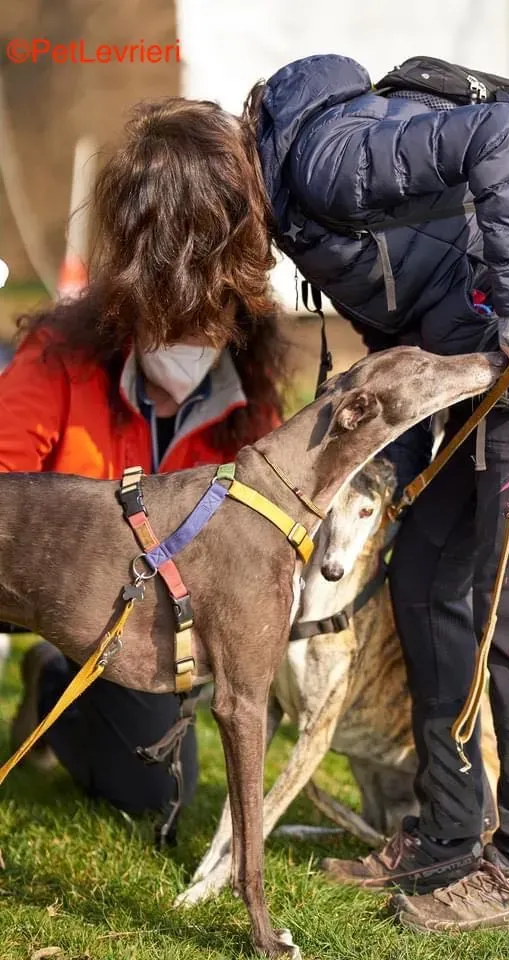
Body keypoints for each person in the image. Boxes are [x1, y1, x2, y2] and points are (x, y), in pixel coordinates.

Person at [239, 55, 509, 931]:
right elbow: (405, 331)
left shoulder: (325, 160)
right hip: (475, 369)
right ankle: (449, 831)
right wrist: (387, 466)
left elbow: (498, 135)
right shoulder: (304, 201)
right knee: (422, 575)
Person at [1, 99, 285, 830]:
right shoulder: (57, 359)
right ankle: (47, 659)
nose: (188, 342)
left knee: (155, 798)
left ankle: (53, 685)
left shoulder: (253, 400)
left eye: (210, 321)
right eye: (172, 318)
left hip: (152, 627)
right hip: (44, 589)